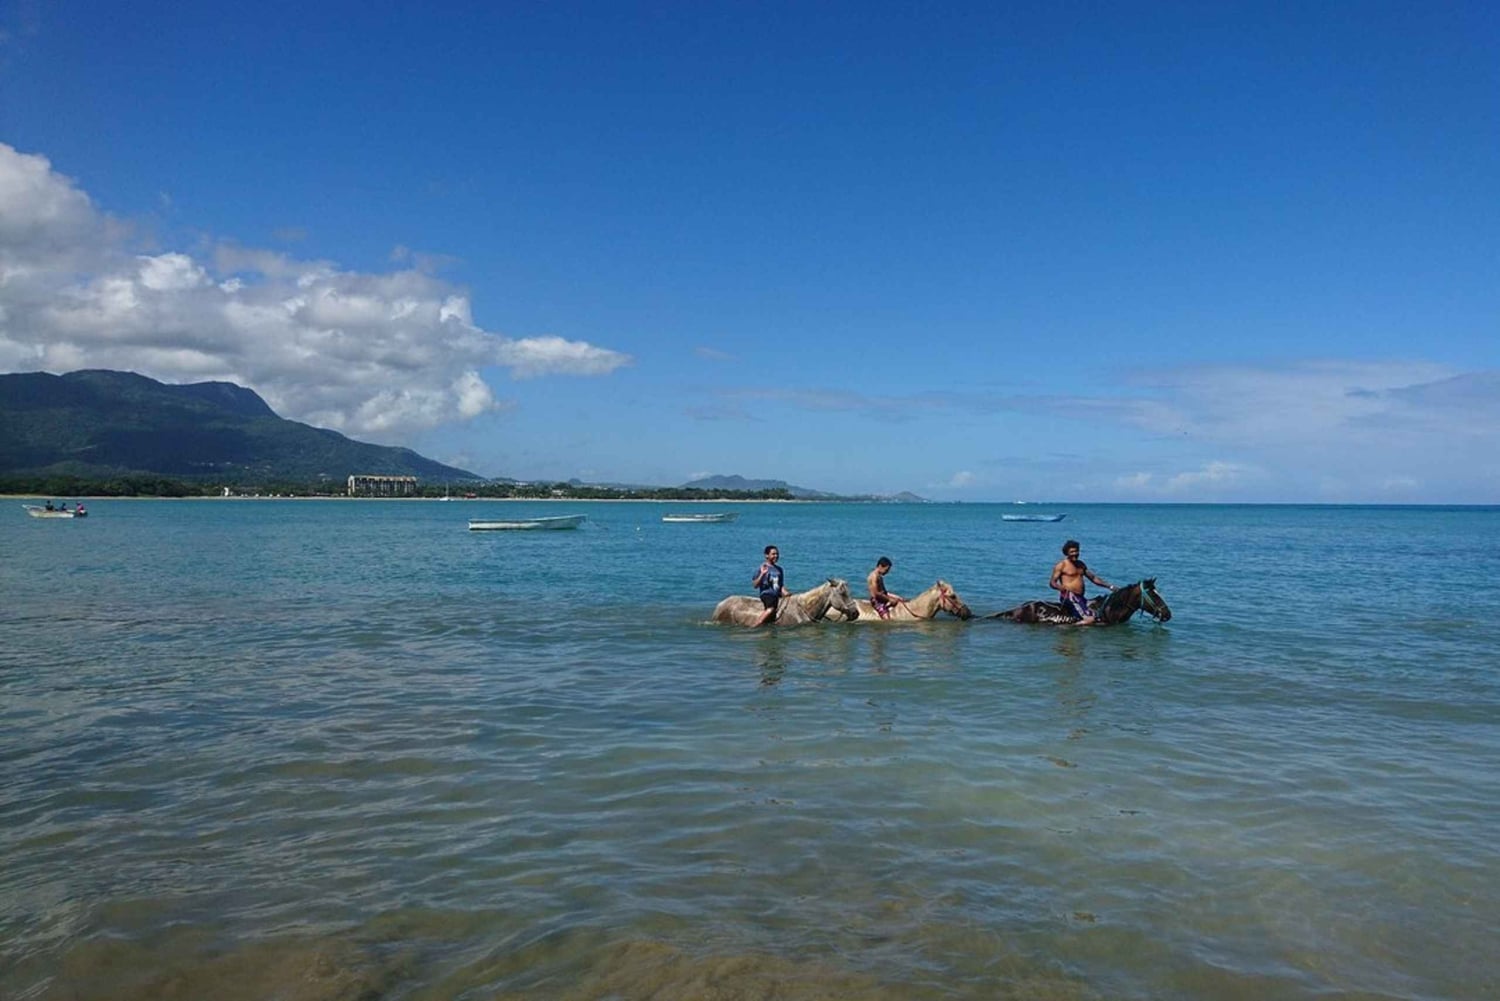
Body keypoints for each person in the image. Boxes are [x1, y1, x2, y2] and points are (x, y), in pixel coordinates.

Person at [1049, 539, 1114, 625]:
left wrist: (1110, 586)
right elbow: (1052, 583)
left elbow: (1093, 578)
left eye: (1076, 551)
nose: (1075, 553)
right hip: (1069, 596)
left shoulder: (1081, 564)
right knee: (1090, 619)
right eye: (1072, 552)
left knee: (1099, 613)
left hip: (1080, 597)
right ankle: (1071, 626)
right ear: (1066, 553)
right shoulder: (1062, 565)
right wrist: (1061, 588)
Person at [752, 544, 789, 627]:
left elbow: (780, 585)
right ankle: (755, 625)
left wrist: (787, 593)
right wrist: (762, 574)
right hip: (767, 594)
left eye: (777, 554)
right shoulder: (762, 568)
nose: (776, 556)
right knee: (771, 609)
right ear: (766, 555)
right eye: (773, 554)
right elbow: (755, 585)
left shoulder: (780, 569)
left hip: (777, 595)